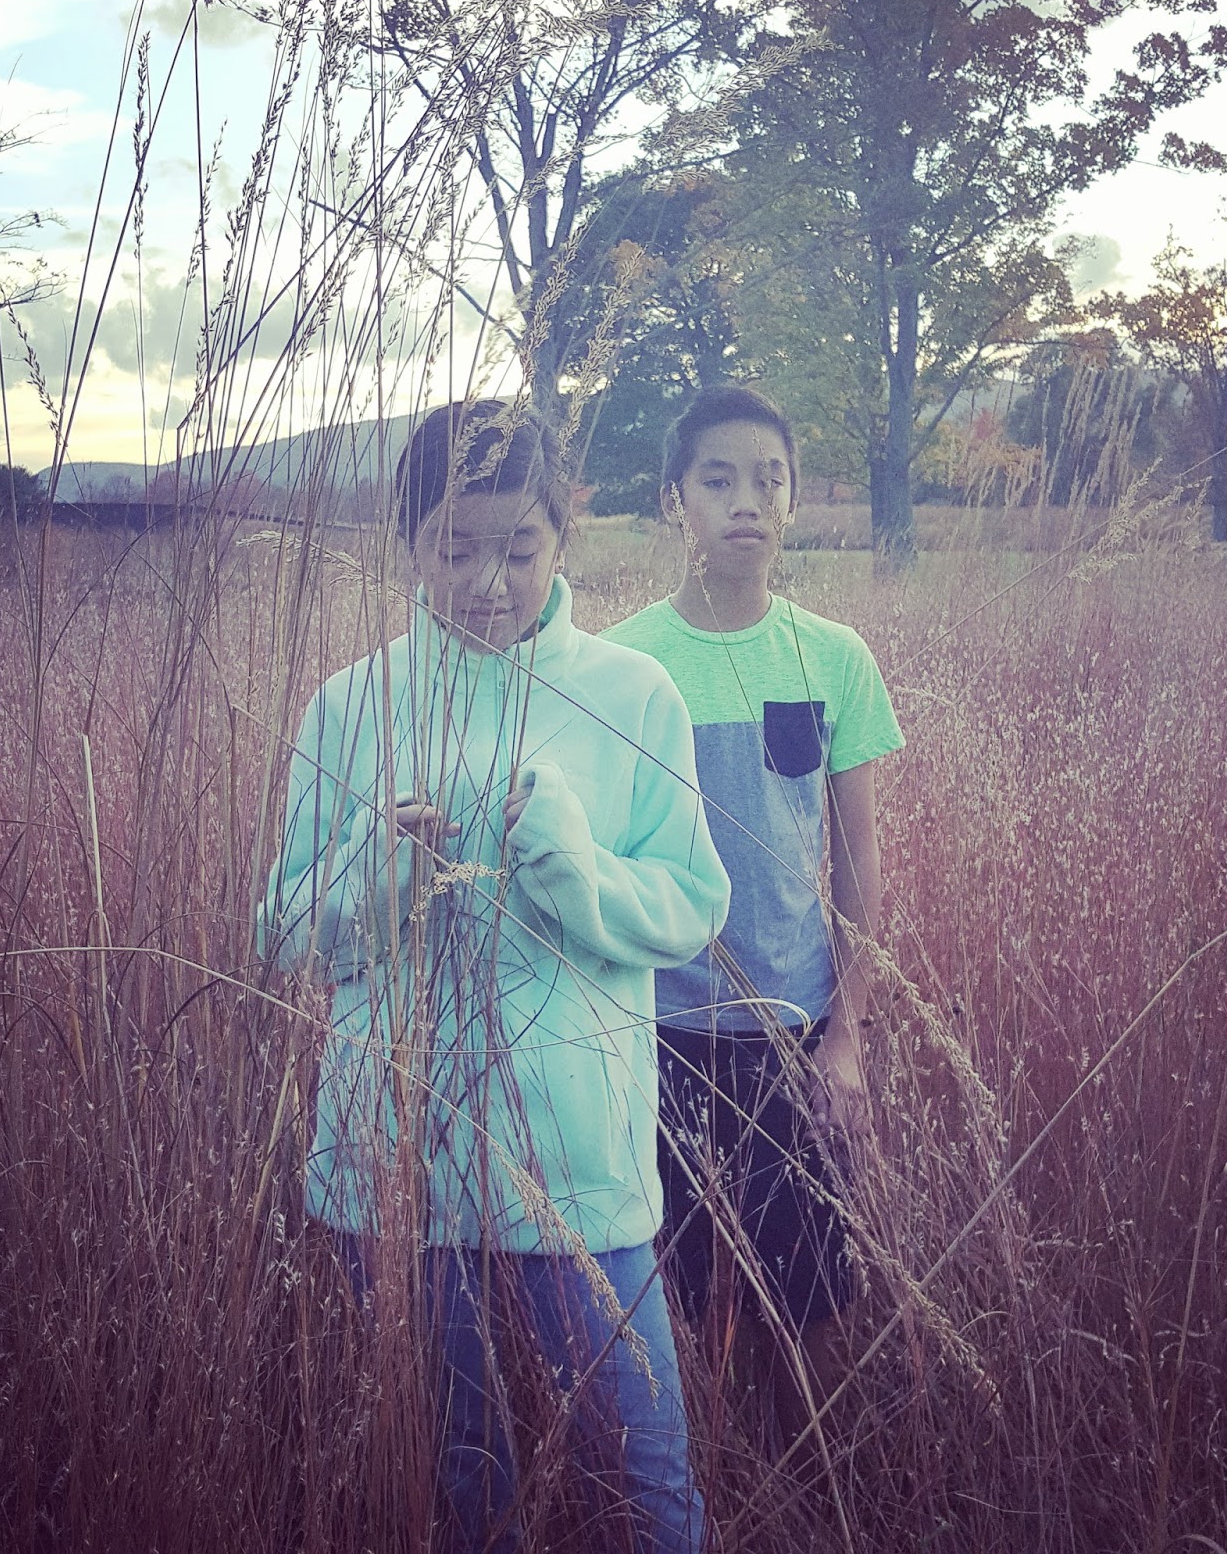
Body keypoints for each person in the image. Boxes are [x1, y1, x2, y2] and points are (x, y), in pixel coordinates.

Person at [257, 398, 730, 1552]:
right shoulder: (350, 704)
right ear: (408, 543)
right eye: (453, 547)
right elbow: (285, 936)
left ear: (563, 536)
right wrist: (372, 869)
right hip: (392, 1165)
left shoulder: (631, 694)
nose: (486, 582)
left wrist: (576, 870)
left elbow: (691, 903)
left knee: (646, 1479)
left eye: (518, 548)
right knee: (461, 1484)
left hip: (578, 1166)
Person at [603, 385, 905, 1446]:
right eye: (719, 479)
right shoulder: (622, 666)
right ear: (671, 501)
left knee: (812, 1295)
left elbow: (857, 857)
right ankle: (711, 1481)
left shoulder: (832, 656)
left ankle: (813, 1479)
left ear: (793, 500)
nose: (748, 501)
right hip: (657, 1032)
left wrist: (847, 1035)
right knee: (681, 1299)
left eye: (770, 480)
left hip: (793, 1029)